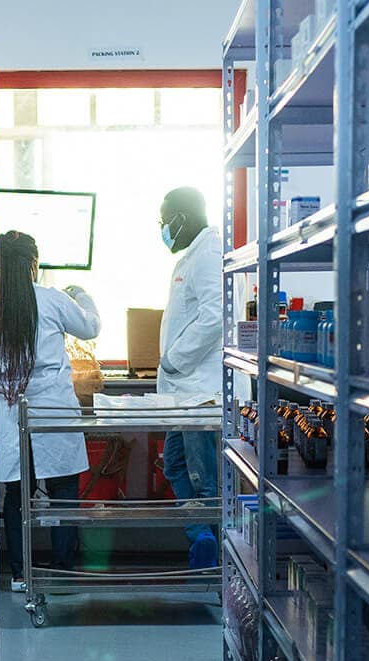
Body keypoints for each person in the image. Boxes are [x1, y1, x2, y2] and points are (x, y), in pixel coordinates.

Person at [0, 230, 101, 591]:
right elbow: (90, 327)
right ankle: (62, 570)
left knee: (16, 493)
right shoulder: (52, 299)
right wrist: (82, 295)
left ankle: (20, 573)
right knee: (63, 490)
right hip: (52, 407)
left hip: (8, 409)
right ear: (32, 264)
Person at [157, 187, 223, 569]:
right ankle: (202, 535)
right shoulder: (193, 255)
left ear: (181, 217)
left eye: (165, 220)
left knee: (200, 476)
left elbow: (214, 318)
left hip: (199, 390)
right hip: (184, 391)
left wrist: (174, 360)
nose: (163, 228)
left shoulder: (208, 253)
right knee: (176, 467)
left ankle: (212, 558)